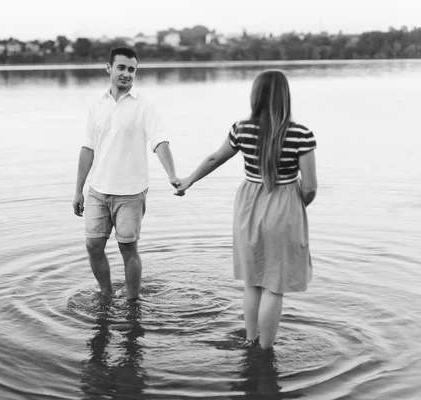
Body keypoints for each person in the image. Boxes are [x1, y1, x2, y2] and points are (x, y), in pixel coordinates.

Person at [175, 70, 317, 349]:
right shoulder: (301, 134)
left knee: (252, 281)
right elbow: (310, 187)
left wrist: (188, 180)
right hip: (284, 207)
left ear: (256, 96)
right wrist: (294, 210)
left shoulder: (241, 129)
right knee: (274, 286)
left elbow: (216, 158)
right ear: (285, 97)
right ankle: (265, 351)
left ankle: (251, 342)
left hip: (248, 207)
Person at [73, 47, 180, 301]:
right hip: (98, 190)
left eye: (131, 69)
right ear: (109, 68)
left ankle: (133, 303)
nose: (126, 74)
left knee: (127, 249)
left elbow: (159, 141)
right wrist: (78, 190)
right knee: (93, 246)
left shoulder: (144, 106)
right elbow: (88, 147)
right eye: (121, 67)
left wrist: (172, 174)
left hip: (131, 192)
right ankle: (106, 294)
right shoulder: (96, 105)